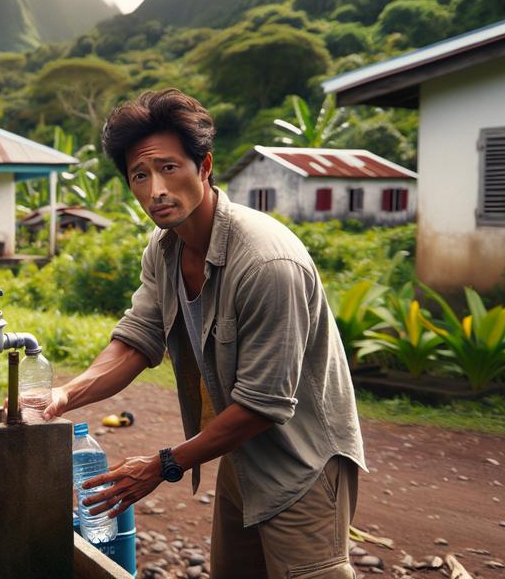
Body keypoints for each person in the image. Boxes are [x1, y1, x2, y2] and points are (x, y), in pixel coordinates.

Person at [44, 89, 366, 579]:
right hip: (240, 455)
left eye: (169, 168)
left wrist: (161, 465)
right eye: (140, 175)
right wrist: (63, 395)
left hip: (302, 462)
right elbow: (138, 339)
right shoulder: (164, 248)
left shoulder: (266, 262)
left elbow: (263, 405)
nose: (156, 190)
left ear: (205, 166)